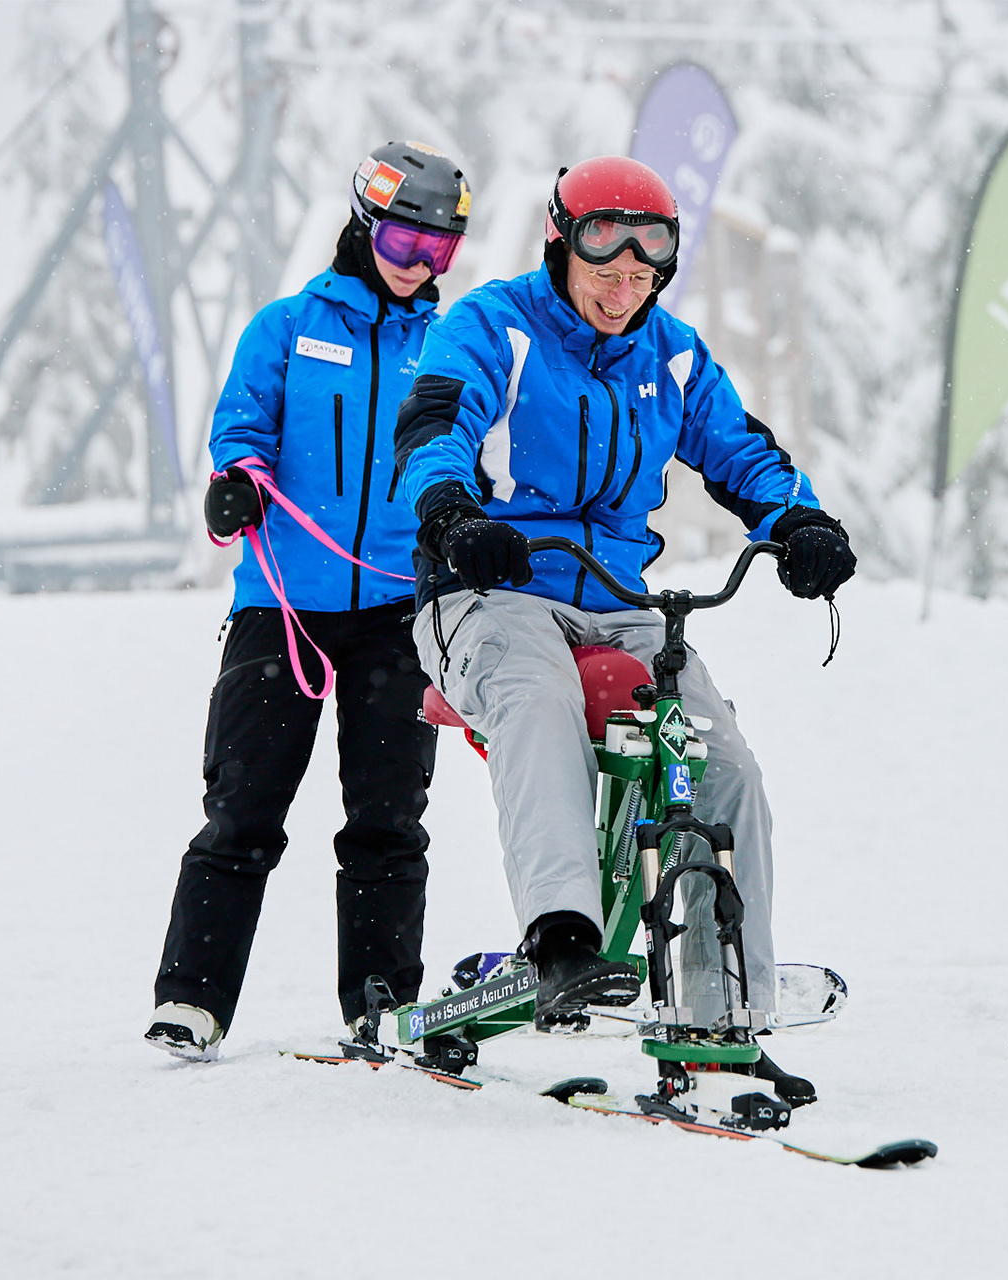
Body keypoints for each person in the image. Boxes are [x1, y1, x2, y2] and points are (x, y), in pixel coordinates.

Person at [392, 156, 853, 1104]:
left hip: (615, 600)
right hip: (488, 590)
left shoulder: (669, 354)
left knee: (719, 760)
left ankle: (729, 1008)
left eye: (642, 276)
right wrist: (450, 511)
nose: (622, 291)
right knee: (539, 698)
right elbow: (434, 421)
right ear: (562, 248)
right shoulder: (492, 325)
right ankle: (563, 938)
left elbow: (739, 448)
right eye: (605, 271)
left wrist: (798, 521)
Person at [146, 143, 473, 1059]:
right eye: (407, 238)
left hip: (397, 617)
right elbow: (242, 428)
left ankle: (380, 1000)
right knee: (243, 808)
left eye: (440, 251)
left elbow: (471, 455)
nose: (418, 264)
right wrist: (238, 482)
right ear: (368, 223)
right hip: (283, 605)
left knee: (386, 818)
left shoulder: (447, 350)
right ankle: (192, 999)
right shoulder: (286, 328)